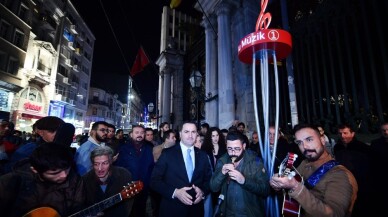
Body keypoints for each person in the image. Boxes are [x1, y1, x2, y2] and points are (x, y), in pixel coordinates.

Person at [269, 124, 358, 217]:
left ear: (322, 140)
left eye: (309, 139)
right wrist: (279, 186)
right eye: (299, 142)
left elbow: (334, 214)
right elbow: (290, 196)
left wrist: (296, 187)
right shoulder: (304, 164)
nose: (305, 146)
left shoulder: (340, 175)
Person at [0, 143, 86, 217]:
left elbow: (78, 209)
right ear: (35, 170)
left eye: (67, 168)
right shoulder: (10, 182)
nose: (64, 175)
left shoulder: (75, 181)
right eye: (54, 173)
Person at [150, 121, 212, 217]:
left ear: (197, 134)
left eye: (193, 132)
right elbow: (154, 181)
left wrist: (203, 191)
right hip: (172, 210)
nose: (190, 135)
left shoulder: (203, 156)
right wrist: (175, 192)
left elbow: (209, 180)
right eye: (186, 132)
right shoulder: (167, 154)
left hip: (195, 211)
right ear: (180, 134)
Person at [210, 130, 270, 217]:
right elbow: (213, 188)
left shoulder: (255, 161)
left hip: (249, 214)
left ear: (244, 146)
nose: (233, 153)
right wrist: (222, 173)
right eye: (230, 149)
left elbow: (265, 190)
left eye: (237, 149)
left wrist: (244, 181)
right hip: (228, 214)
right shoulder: (222, 161)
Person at [114, 125, 154, 217]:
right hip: (128, 188)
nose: (139, 135)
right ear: (131, 134)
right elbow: (119, 169)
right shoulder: (123, 149)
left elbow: (151, 167)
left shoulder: (149, 149)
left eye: (142, 133)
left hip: (144, 188)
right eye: (137, 132)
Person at [83, 146, 134, 217]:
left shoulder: (124, 174)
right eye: (96, 164)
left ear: (111, 162)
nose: (100, 168)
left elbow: (129, 203)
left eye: (104, 163)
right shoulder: (85, 180)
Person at [334, 123, 371, 217]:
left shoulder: (362, 147)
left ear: (352, 134)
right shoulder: (337, 147)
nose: (342, 136)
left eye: (345, 133)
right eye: (340, 133)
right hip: (344, 181)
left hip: (361, 182)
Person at [370, 122, 388, 216]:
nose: (386, 132)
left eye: (387, 129)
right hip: (382, 178)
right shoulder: (376, 144)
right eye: (384, 130)